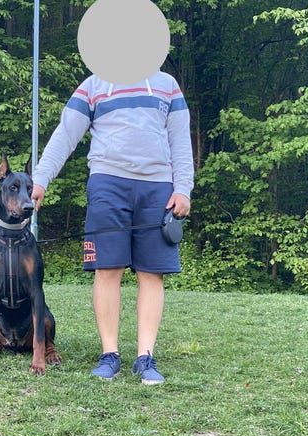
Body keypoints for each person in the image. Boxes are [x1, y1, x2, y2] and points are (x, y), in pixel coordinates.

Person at [32, 70, 194, 385]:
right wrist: (40, 180)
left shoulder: (168, 85)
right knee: (107, 269)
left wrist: (183, 189)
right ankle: (110, 355)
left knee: (152, 273)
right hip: (107, 184)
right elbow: (65, 135)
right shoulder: (93, 86)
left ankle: (146, 357)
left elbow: (180, 141)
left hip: (158, 188)